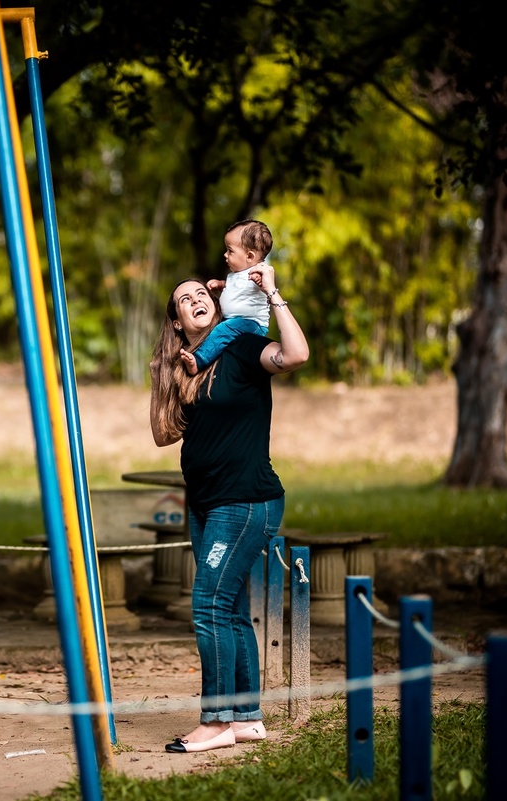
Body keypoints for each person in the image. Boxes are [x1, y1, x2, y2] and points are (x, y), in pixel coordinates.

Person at [149, 267, 309, 753]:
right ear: (176, 321)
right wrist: (166, 371)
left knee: (208, 606)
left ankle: (216, 721)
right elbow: (163, 433)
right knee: (232, 611)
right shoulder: (190, 366)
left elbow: (296, 355)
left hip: (245, 502)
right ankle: (245, 718)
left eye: (201, 292)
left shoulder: (241, 346)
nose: (195, 299)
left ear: (216, 304)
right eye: (184, 299)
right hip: (205, 504)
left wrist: (272, 293)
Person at [180, 219, 275, 376]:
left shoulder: (258, 271)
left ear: (249, 256)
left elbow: (263, 284)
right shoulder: (236, 274)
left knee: (222, 331)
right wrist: (221, 284)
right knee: (218, 331)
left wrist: (259, 280)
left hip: (251, 322)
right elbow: (236, 287)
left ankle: (198, 361)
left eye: (230, 251)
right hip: (237, 320)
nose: (225, 255)